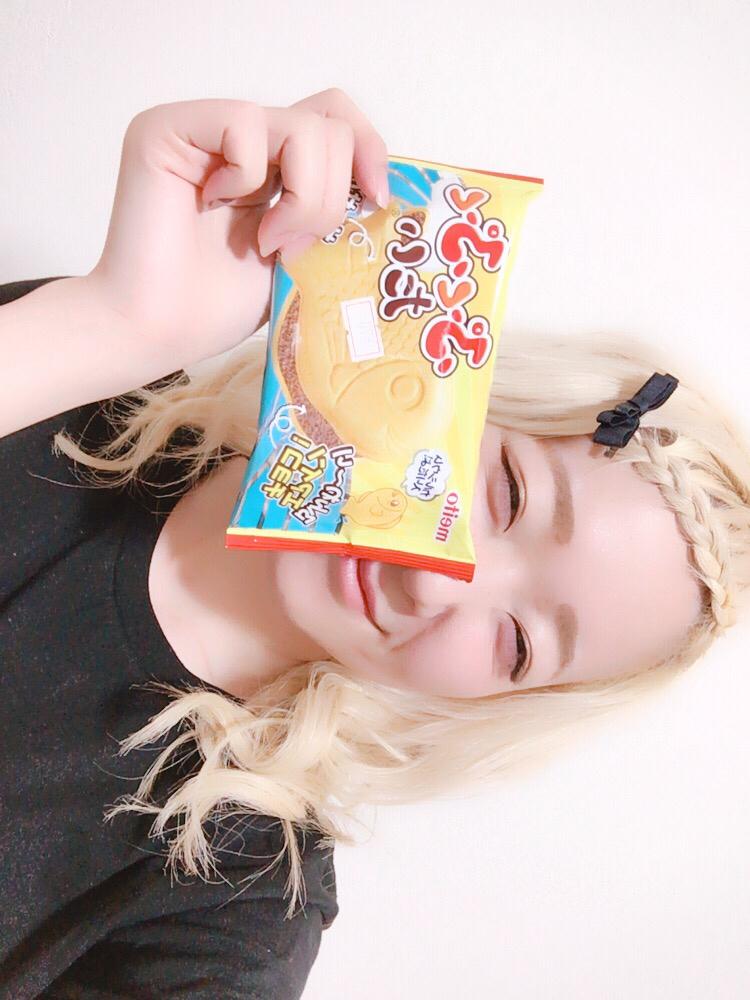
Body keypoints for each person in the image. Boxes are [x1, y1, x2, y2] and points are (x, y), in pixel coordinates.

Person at [2, 87, 748, 996]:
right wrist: (110, 325)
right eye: (508, 493)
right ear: (460, 386)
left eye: (516, 643)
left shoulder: (232, 905)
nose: (434, 585)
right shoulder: (75, 376)